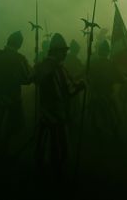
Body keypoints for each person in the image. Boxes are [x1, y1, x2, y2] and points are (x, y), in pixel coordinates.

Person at [34, 33, 84, 181]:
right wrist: (81, 86)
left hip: (44, 111)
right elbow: (67, 92)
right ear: (56, 51)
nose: (65, 54)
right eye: (63, 51)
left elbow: (34, 80)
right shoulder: (57, 68)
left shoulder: (41, 66)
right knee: (61, 146)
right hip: (56, 113)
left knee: (41, 143)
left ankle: (40, 167)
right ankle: (56, 174)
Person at [0, 31, 32, 160]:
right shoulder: (19, 58)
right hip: (12, 98)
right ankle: (3, 152)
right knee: (13, 127)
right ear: (19, 44)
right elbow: (27, 79)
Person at [88, 40, 122, 138]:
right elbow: (119, 79)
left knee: (93, 117)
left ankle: (95, 133)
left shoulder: (93, 63)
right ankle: (114, 133)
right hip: (107, 95)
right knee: (114, 117)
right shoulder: (111, 64)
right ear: (107, 52)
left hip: (95, 95)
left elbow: (87, 76)